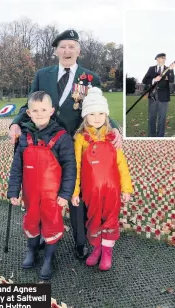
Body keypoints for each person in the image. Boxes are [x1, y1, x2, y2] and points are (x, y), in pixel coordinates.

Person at [8, 29, 122, 259]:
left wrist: (115, 126)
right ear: (56, 51)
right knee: (43, 190)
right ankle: (42, 234)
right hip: (47, 141)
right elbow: (29, 104)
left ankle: (81, 241)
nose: (67, 51)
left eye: (72, 46)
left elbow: (98, 108)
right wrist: (15, 123)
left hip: (78, 143)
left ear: (79, 50)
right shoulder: (43, 75)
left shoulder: (90, 78)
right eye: (62, 47)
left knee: (77, 192)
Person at [7, 91, 76, 280]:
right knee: (31, 220)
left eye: (43, 109)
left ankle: (49, 257)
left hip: (53, 195)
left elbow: (70, 167)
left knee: (52, 223)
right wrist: (13, 190)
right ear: (28, 113)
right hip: (30, 194)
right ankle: (32, 250)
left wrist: (65, 193)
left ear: (52, 111)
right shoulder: (24, 136)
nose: (39, 113)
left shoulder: (61, 137)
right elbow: (17, 167)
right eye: (35, 110)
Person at [71, 87, 133, 271]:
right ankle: (97, 249)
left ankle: (107, 253)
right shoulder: (81, 139)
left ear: (106, 115)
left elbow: (122, 164)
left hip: (112, 191)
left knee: (110, 220)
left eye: (100, 113)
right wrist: (75, 192)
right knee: (94, 220)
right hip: (91, 193)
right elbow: (76, 166)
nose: (96, 117)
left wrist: (126, 189)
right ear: (85, 116)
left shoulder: (113, 137)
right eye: (91, 113)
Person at [142, 53, 175, 137]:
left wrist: (171, 70)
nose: (164, 59)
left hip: (164, 97)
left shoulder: (167, 69)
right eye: (161, 58)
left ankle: (160, 137)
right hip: (152, 97)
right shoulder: (151, 69)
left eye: (164, 58)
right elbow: (144, 80)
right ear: (157, 59)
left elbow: (171, 80)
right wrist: (153, 80)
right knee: (152, 118)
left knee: (162, 119)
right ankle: (151, 137)